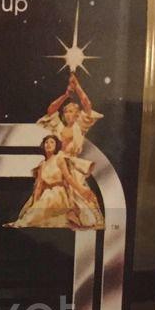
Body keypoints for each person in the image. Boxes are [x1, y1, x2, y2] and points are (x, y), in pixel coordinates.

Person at [38, 72, 105, 228]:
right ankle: (68, 217)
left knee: (80, 191)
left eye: (71, 111)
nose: (68, 114)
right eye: (66, 111)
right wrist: (66, 95)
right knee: (60, 194)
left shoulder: (80, 126)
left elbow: (87, 104)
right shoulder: (58, 127)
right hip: (57, 163)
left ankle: (93, 218)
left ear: (77, 114)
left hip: (72, 164)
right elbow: (51, 110)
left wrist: (77, 87)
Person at [6, 135, 83, 229]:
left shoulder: (59, 159)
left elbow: (68, 178)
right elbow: (39, 185)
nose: (48, 144)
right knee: (36, 209)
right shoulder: (42, 164)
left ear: (56, 145)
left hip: (59, 193)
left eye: (52, 142)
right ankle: (25, 222)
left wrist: (81, 190)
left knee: (47, 201)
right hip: (46, 193)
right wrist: (34, 203)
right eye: (46, 142)